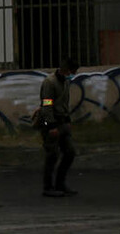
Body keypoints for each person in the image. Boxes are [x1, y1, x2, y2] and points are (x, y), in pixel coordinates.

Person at [40, 57, 79, 197]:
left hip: (63, 122)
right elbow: (47, 105)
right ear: (65, 70)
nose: (72, 74)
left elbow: (64, 103)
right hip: (52, 124)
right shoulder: (50, 83)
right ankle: (48, 187)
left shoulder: (65, 82)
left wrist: (67, 120)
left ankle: (60, 183)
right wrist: (51, 126)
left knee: (70, 152)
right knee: (52, 155)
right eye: (71, 71)